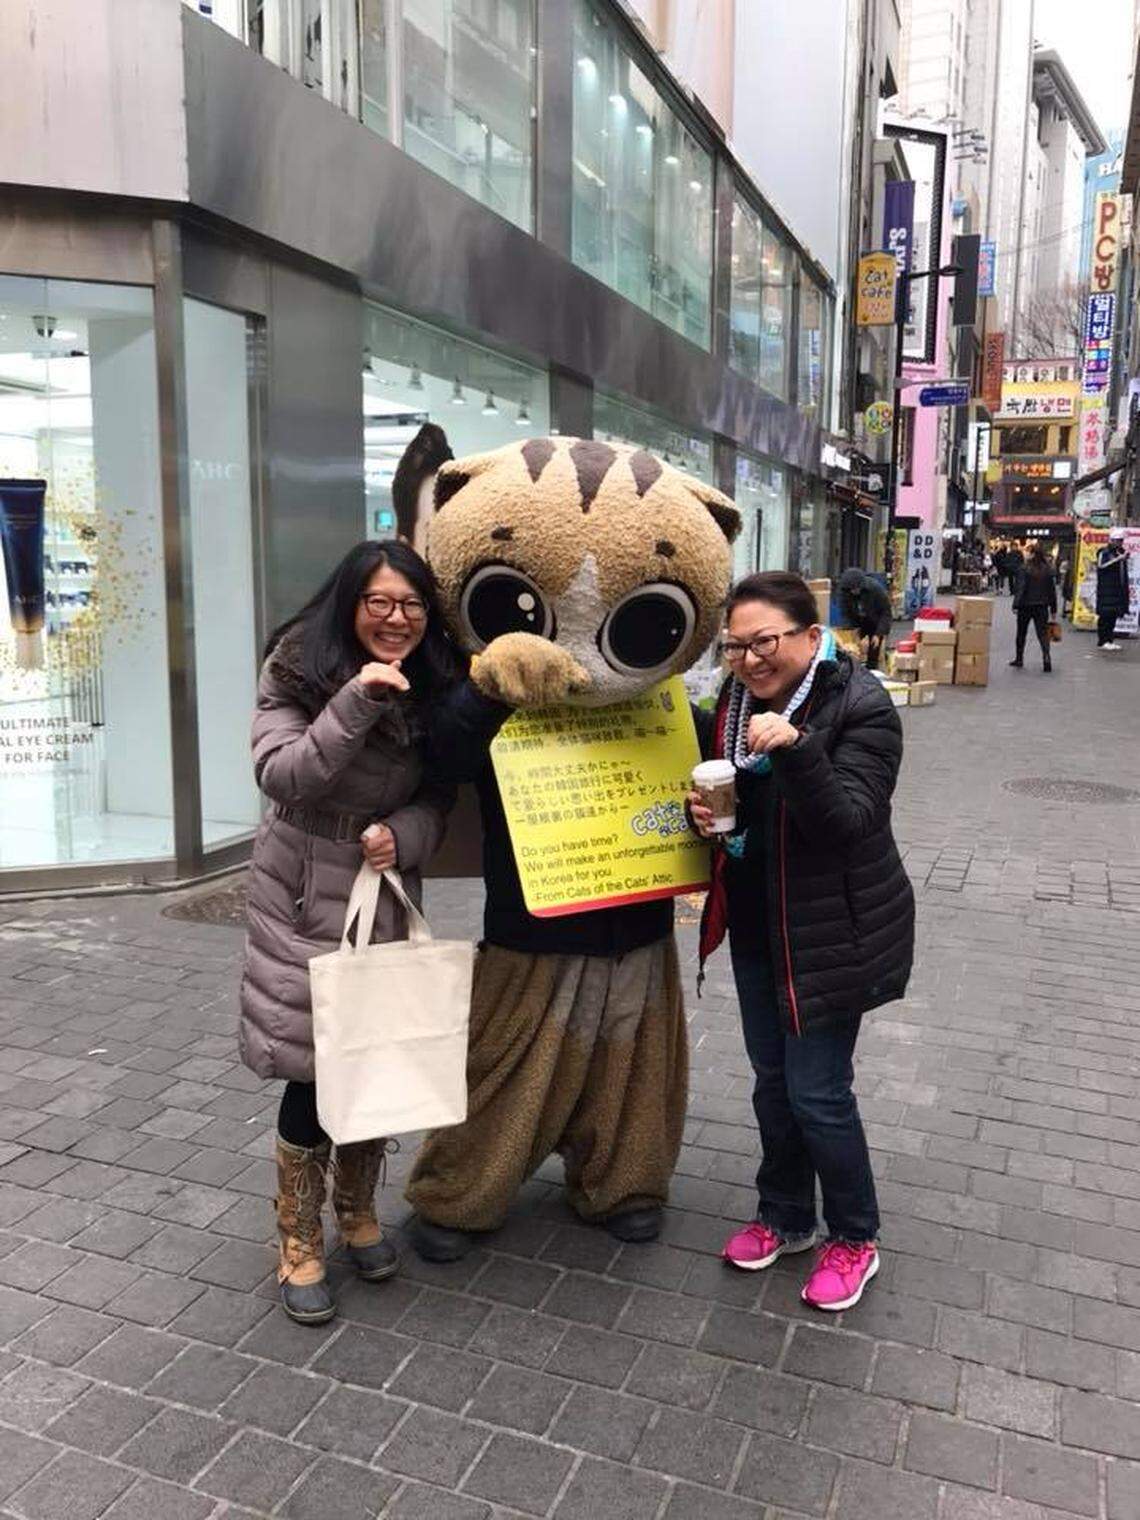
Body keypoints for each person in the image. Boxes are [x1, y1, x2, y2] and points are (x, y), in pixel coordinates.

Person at [239, 540, 462, 1324]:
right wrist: (360, 699)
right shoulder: (296, 668)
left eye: (412, 606)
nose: (397, 620)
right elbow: (285, 774)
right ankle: (297, 1240)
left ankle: (358, 1212)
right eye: (381, 603)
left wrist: (406, 833)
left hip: (381, 890)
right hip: (302, 894)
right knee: (312, 1067)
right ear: (350, 604)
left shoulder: (438, 683)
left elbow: (440, 797)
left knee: (373, 1055)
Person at [689, 572, 914, 1312]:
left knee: (818, 1091)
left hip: (828, 932)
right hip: (758, 920)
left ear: (811, 638)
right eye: (737, 648)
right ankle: (785, 1215)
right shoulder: (734, 707)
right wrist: (707, 815)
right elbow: (745, 803)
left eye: (766, 642)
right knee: (770, 1082)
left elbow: (848, 821)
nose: (752, 660)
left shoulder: (862, 706)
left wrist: (795, 748)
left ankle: (855, 1236)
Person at [1010, 545, 1056, 672]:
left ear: (1033, 554)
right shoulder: (1047, 569)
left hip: (1025, 606)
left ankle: (1019, 659)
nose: (1026, 554)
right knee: (1042, 634)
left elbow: (1021, 588)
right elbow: (1051, 591)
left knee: (1021, 633)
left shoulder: (1024, 568)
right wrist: (1053, 608)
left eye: (1028, 552)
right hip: (1042, 606)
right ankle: (1046, 657)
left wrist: (1015, 604)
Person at [836, 568, 892, 669]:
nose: (853, 592)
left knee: (873, 648)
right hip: (857, 622)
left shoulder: (875, 589)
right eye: (851, 590)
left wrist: (879, 634)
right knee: (852, 649)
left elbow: (886, 613)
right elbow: (845, 612)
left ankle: (872, 668)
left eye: (855, 589)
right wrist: (852, 632)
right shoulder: (845, 592)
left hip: (875, 622)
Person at [1095, 529, 1130, 651]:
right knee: (1105, 617)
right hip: (1106, 590)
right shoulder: (1104, 552)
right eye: (1118, 541)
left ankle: (1109, 640)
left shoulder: (1120, 552)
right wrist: (1118, 559)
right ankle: (1102, 640)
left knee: (1113, 616)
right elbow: (1101, 566)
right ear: (1112, 540)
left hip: (1117, 590)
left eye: (1122, 541)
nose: (1121, 543)